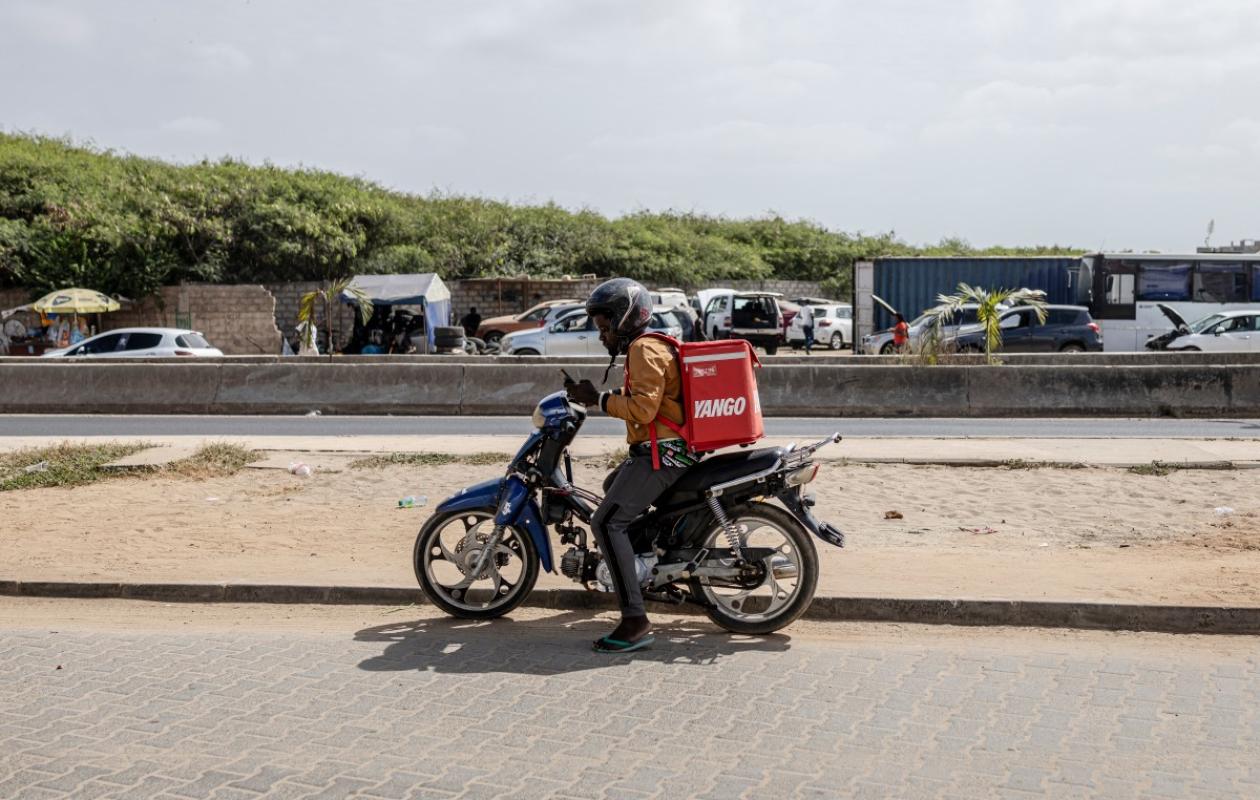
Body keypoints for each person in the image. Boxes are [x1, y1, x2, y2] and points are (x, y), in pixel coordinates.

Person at [565, 277, 694, 654]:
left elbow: (643, 409)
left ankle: (635, 620)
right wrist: (596, 397)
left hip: (665, 453)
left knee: (605, 521)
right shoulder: (649, 346)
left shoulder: (643, 349)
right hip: (663, 449)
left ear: (624, 320)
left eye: (605, 328)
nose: (602, 336)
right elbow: (647, 396)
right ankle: (644, 558)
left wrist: (598, 400)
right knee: (611, 487)